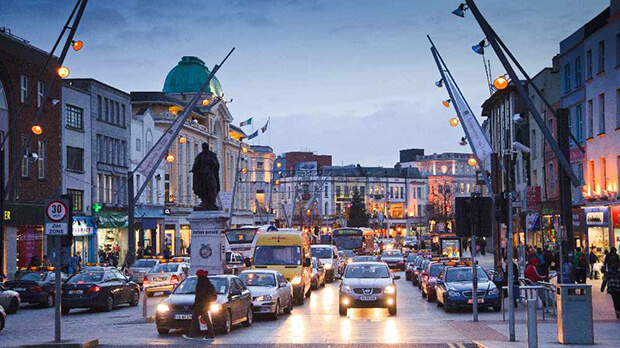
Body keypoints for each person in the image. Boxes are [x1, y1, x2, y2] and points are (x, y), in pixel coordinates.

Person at [185, 269, 217, 340]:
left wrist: (196, 304)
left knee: (196, 318)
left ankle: (193, 334)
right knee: (204, 319)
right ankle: (194, 333)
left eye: (197, 276)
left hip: (201, 305)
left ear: (200, 276)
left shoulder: (201, 284)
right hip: (204, 305)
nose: (196, 277)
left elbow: (199, 296)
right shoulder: (207, 283)